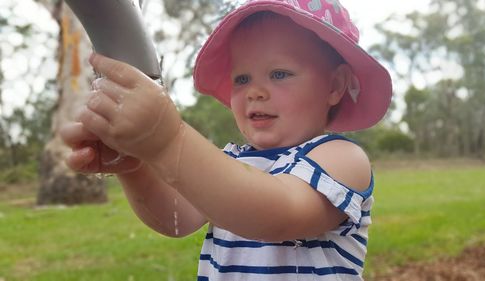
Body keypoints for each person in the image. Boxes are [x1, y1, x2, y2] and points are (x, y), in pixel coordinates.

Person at [60, 0, 392, 280]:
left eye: (279, 74)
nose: (255, 91)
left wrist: (168, 142)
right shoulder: (233, 161)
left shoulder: (342, 158)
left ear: (335, 86)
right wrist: (135, 167)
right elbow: (178, 218)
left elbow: (276, 214)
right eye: (242, 78)